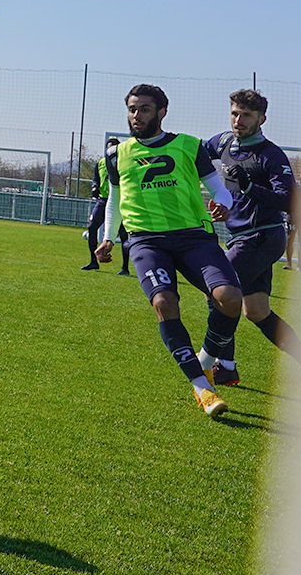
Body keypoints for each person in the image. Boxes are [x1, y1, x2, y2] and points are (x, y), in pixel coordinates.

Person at [97, 84, 243, 417]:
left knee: (231, 298)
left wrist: (222, 205)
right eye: (133, 109)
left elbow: (220, 190)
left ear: (162, 111)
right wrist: (109, 238)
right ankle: (203, 389)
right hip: (146, 241)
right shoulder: (116, 154)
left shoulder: (189, 146)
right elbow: (115, 200)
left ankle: (205, 361)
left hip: (194, 237)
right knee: (164, 301)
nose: (137, 116)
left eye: (145, 109)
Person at [197, 89, 301, 394]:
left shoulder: (271, 155)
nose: (239, 120)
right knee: (256, 310)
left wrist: (248, 187)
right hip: (242, 237)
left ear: (262, 119)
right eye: (235, 113)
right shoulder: (222, 142)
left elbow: (288, 200)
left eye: (246, 115)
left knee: (219, 293)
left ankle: (213, 365)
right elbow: (196, 155)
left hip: (262, 237)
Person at [81, 143, 130, 274]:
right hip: (103, 200)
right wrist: (94, 186)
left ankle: (125, 267)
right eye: (109, 148)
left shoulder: (124, 163)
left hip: (120, 201)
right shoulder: (101, 163)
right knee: (92, 227)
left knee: (124, 234)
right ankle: (93, 261)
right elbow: (95, 178)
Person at [287, 168, 301, 271]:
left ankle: (299, 265)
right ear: (300, 174)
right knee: (290, 239)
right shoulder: (294, 186)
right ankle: (289, 264)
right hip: (293, 217)